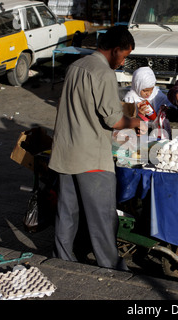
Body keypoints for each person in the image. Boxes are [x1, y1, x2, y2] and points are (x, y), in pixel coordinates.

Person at [48, 26, 140, 271]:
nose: (123, 62)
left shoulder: (76, 66)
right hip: (91, 158)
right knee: (102, 219)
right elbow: (113, 120)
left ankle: (62, 260)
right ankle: (110, 265)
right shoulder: (103, 73)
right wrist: (136, 122)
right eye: (124, 56)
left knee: (67, 215)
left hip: (66, 152)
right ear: (115, 49)